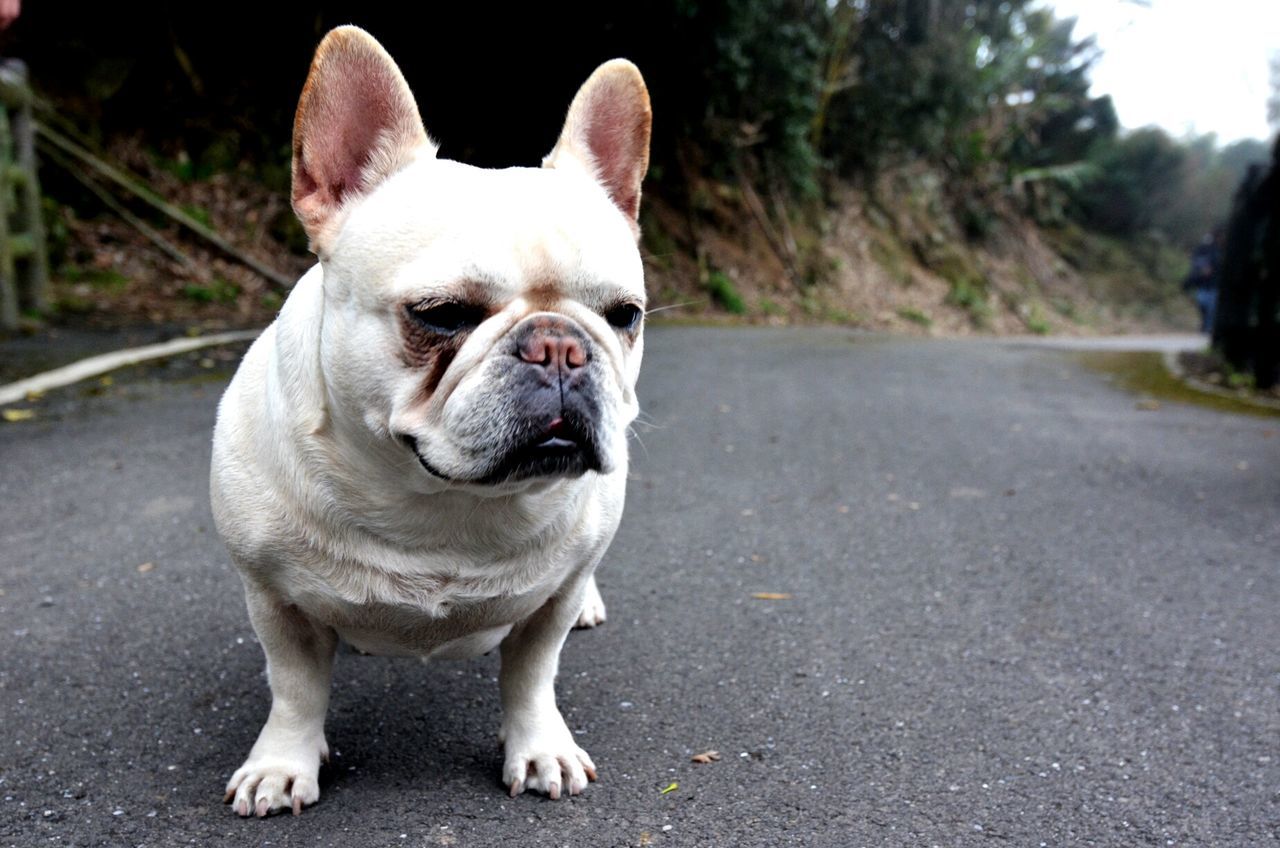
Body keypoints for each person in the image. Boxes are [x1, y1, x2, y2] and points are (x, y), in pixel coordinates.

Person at [1184, 228, 1223, 334]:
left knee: (1211, 308)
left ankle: (1207, 328)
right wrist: (1203, 268)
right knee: (1203, 305)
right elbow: (1195, 261)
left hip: (1214, 284)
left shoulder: (1219, 250)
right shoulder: (1201, 250)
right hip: (1202, 284)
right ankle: (1205, 325)